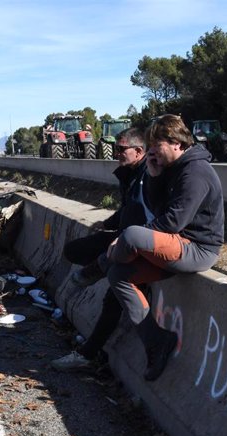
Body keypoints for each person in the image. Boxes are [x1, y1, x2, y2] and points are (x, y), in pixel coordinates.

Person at [104, 114, 223, 381]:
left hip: (198, 249)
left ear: (176, 143)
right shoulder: (172, 168)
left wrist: (121, 245)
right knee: (118, 276)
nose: (152, 152)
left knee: (132, 235)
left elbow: (172, 221)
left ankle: (106, 260)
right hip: (177, 244)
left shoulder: (196, 172)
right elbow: (159, 211)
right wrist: (155, 177)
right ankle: (156, 340)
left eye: (156, 145)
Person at [52, 127, 151, 372]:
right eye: (116, 148)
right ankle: (100, 267)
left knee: (113, 297)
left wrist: (126, 237)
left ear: (139, 151)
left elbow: (147, 214)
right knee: (74, 250)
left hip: (140, 244)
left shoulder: (148, 175)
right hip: (124, 238)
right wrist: (106, 224)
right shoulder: (131, 175)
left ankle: (88, 353)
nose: (116, 153)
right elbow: (128, 209)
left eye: (121, 149)